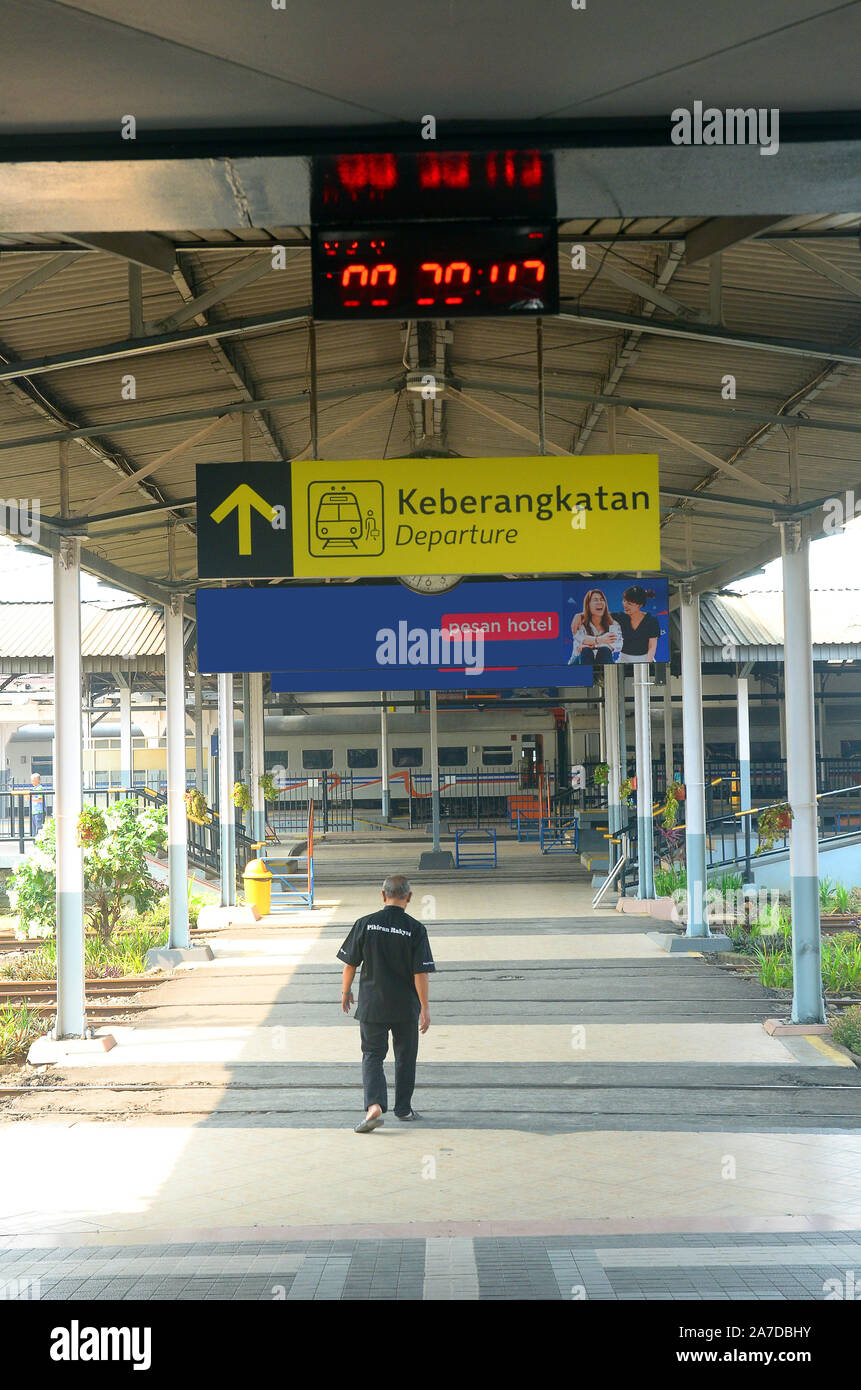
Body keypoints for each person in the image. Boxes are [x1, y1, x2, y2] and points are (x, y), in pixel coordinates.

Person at [337, 873, 435, 1133]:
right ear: (410, 897)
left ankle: (374, 1106)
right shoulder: (416, 929)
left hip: (372, 1005)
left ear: (383, 895)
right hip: (405, 1007)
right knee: (405, 1057)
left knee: (372, 1055)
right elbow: (420, 973)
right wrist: (424, 1007)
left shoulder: (365, 924)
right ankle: (404, 1109)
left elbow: (350, 964)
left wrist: (346, 992)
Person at [571, 584, 661, 664]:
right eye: (624, 601)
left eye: (629, 603)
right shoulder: (621, 617)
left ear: (639, 605)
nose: (625, 605)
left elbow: (652, 647)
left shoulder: (651, 621)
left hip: (645, 659)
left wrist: (646, 665)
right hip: (624, 660)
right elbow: (599, 613)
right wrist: (579, 615)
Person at [568, 588, 622, 665]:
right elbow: (581, 640)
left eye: (601, 599)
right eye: (595, 600)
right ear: (588, 605)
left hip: (602, 659)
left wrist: (603, 646)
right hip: (579, 661)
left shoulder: (613, 624)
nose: (599, 602)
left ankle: (608, 675)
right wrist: (601, 640)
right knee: (586, 651)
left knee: (605, 650)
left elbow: (618, 644)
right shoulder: (579, 622)